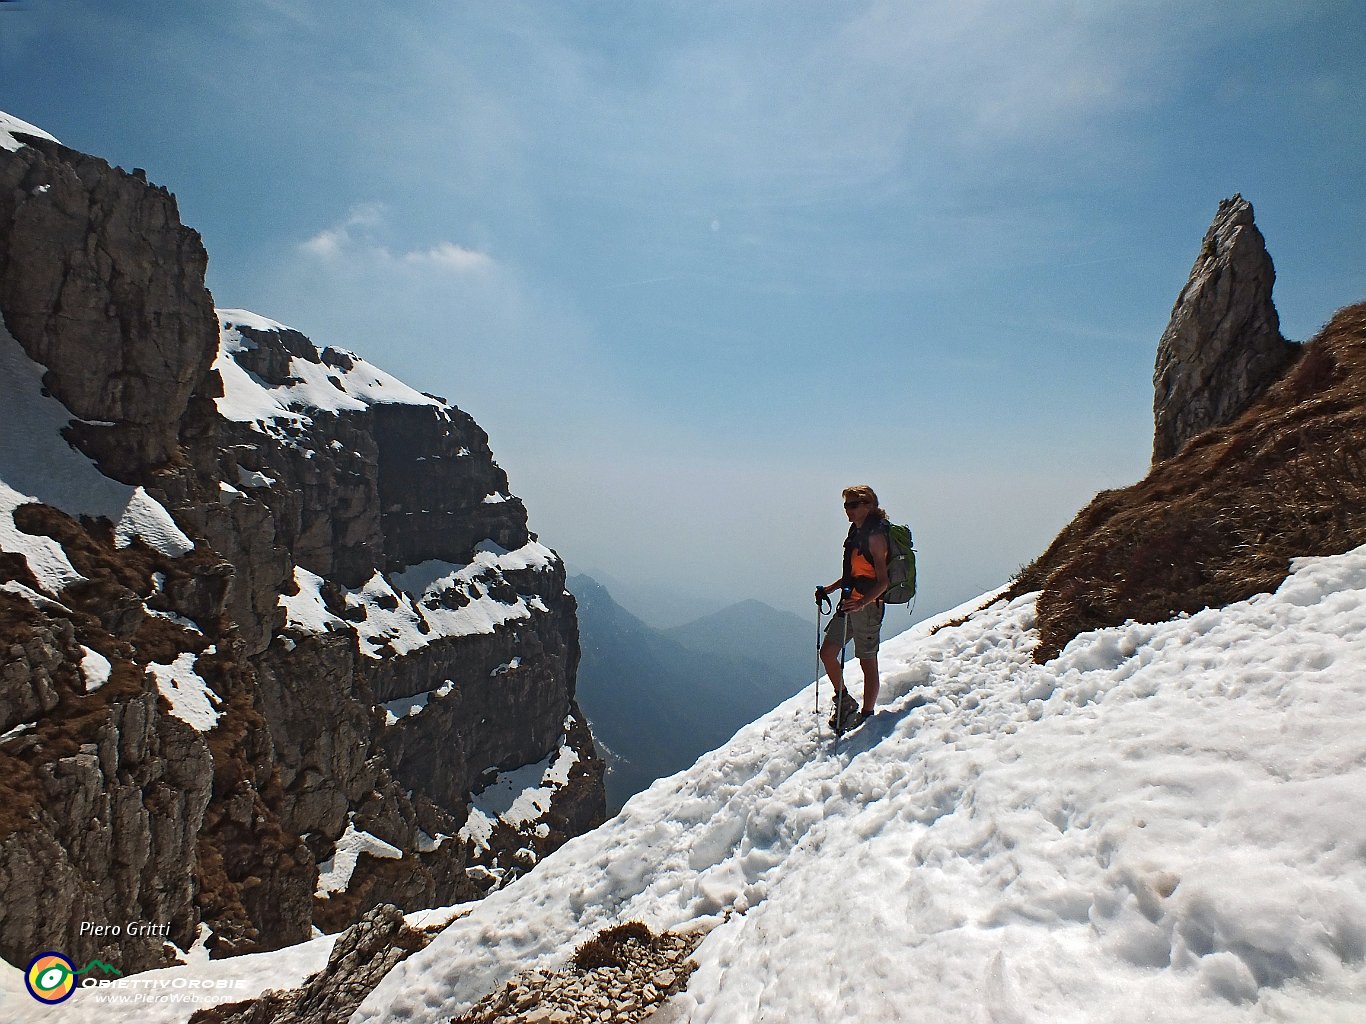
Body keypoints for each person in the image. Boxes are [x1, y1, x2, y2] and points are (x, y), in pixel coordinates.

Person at [816, 485, 890, 733]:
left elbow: (884, 581)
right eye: (846, 505)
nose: (847, 510)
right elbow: (854, 574)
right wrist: (832, 588)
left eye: (852, 505)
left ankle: (867, 716)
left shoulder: (876, 538)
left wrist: (862, 602)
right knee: (827, 652)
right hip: (850, 604)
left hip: (866, 608)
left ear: (868, 506)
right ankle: (844, 700)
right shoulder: (855, 533)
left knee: (867, 662)